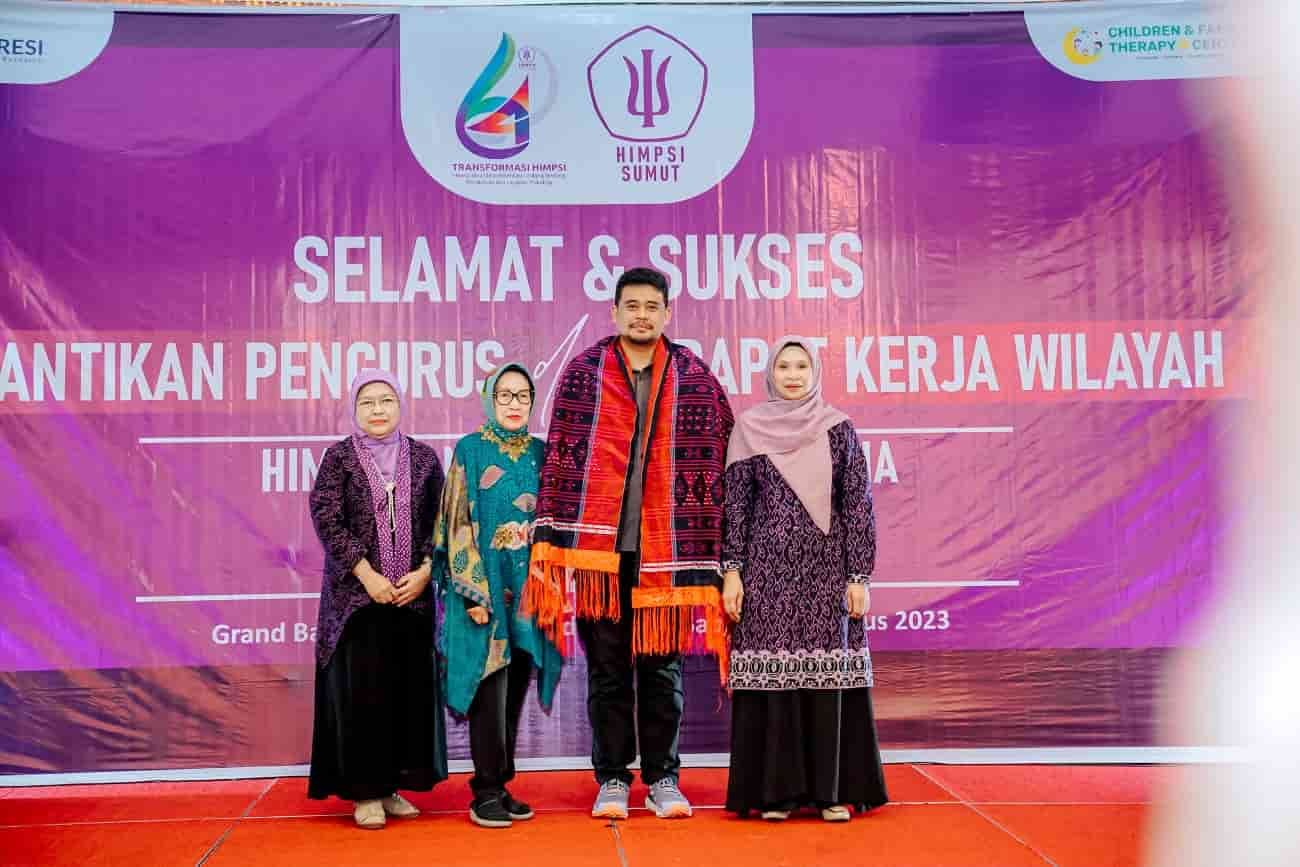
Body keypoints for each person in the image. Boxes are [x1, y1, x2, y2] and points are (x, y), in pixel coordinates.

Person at [522, 266, 734, 820]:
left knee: (663, 673)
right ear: (614, 311)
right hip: (601, 555)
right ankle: (613, 777)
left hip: (669, 551)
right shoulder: (583, 374)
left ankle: (664, 778)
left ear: (668, 313)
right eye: (631, 306)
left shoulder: (695, 377)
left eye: (651, 306)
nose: (641, 315)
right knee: (608, 672)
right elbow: (561, 462)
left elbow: (723, 457)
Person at [721, 338, 889, 822]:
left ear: (814, 372)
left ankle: (830, 793)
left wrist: (859, 576)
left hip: (827, 573)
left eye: (801, 366)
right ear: (770, 373)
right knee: (773, 681)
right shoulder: (748, 429)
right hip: (766, 575)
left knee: (827, 679)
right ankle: (777, 795)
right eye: (784, 366)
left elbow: (857, 505)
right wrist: (732, 572)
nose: (793, 375)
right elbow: (735, 508)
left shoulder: (838, 428)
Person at [306, 369, 448, 829]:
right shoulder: (339, 458)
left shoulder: (424, 459)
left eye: (386, 400)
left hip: (411, 599)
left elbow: (442, 521)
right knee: (362, 695)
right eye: (367, 402)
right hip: (356, 602)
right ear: (355, 410)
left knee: (402, 694)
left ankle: (390, 787)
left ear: (400, 405)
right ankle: (364, 792)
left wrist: (425, 572)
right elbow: (326, 519)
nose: (378, 410)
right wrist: (367, 575)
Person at [435, 362, 564, 829]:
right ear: (490, 400)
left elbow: (553, 524)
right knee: (489, 689)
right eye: (504, 395)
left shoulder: (542, 454)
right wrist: (472, 592)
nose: (514, 404)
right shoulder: (470, 450)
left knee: (515, 689)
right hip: (483, 593)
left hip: (529, 595)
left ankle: (502, 785)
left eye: (522, 396)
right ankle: (485, 791)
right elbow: (455, 522)